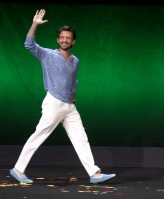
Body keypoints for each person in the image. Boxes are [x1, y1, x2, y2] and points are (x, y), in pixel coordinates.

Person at [10, 9, 116, 184]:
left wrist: (72, 100)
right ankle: (18, 169)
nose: (64, 40)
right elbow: (29, 44)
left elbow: (74, 82)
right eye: (62, 37)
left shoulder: (75, 61)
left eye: (68, 37)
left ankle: (94, 174)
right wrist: (35, 24)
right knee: (39, 135)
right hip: (53, 103)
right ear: (58, 39)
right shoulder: (48, 55)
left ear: (73, 41)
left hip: (69, 106)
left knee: (81, 138)